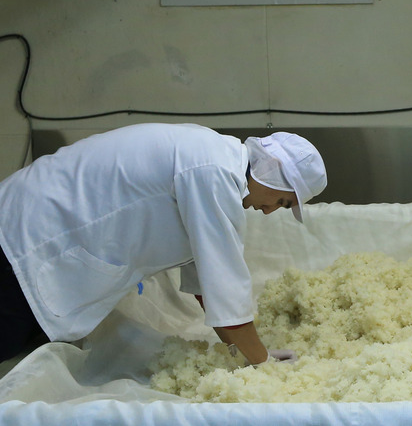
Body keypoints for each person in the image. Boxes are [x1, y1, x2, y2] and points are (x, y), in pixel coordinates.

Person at [0, 123, 327, 364]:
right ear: (272, 171)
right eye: (282, 202)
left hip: (35, 239)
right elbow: (226, 285)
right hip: (25, 245)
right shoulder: (213, 172)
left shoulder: (214, 159)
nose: (270, 211)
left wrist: (239, 353)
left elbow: (208, 286)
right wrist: (262, 364)